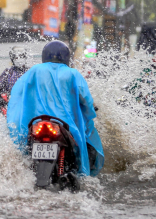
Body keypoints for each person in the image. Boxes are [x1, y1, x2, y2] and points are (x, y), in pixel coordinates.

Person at [6, 40, 104, 177]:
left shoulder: (35, 70)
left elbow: (18, 93)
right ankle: (81, 175)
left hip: (36, 123)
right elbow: (85, 99)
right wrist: (90, 111)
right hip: (66, 125)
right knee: (86, 142)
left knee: (24, 150)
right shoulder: (73, 73)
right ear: (66, 57)